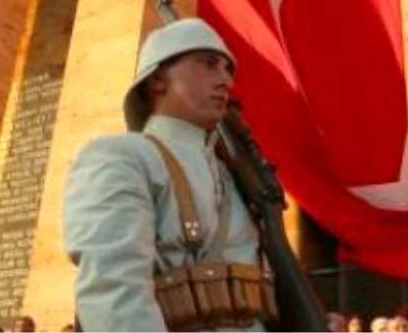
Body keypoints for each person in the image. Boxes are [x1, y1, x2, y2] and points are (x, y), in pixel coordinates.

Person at [63, 18, 273, 332]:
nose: (225, 81)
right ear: (158, 80)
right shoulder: (122, 156)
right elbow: (114, 294)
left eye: (228, 70)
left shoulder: (235, 180)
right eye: (209, 64)